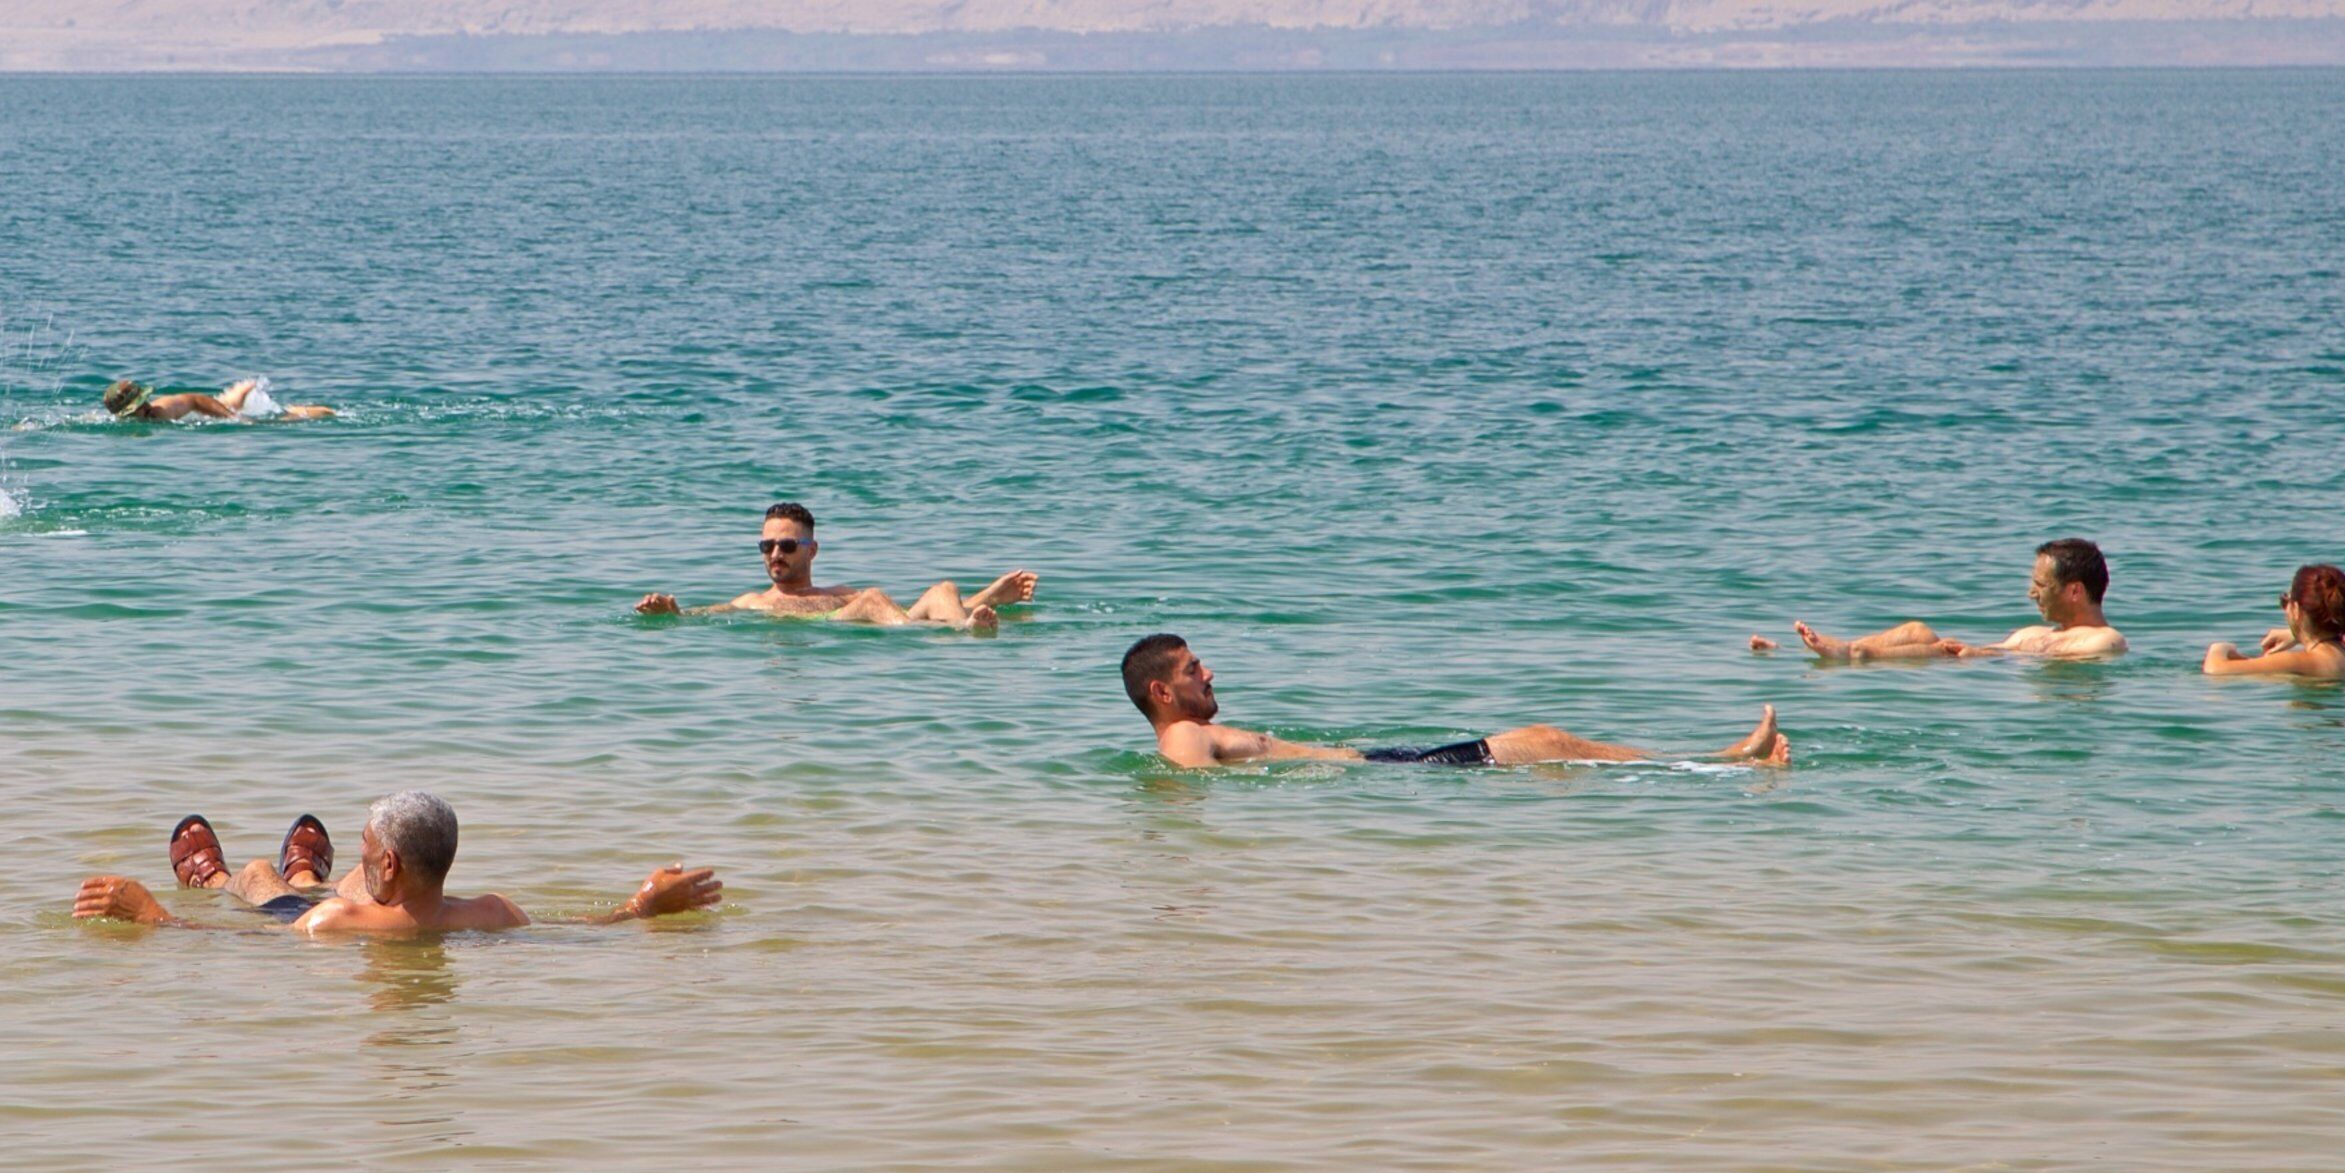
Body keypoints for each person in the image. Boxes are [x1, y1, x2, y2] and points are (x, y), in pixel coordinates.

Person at [72, 790, 721, 935]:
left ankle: (217, 876)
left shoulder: (332, 928)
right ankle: (310, 871)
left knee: (257, 878)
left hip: (306, 913)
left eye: (363, 844)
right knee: (343, 884)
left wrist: (152, 915)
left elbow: (233, 944)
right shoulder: (495, 914)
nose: (360, 848)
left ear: (392, 861)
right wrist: (641, 906)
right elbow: (580, 931)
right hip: (416, 900)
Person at [1122, 632, 1791, 769]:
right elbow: (1189, 796)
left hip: (1383, 763)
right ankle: (1723, 762)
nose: (1209, 672)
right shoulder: (1183, 739)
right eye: (1192, 668)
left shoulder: (1188, 734)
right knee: (1548, 741)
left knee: (1553, 754)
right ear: (1162, 691)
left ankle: (1715, 760)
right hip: (1387, 773)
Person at [633, 501, 1037, 634]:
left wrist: (985, 596)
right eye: (767, 545)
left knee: (943, 588)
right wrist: (673, 612)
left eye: (787, 545)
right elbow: (704, 616)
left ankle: (975, 616)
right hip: (886, 633)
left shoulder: (837, 592)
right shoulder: (755, 601)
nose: (775, 553)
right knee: (873, 597)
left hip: (893, 628)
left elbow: (906, 615)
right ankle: (965, 630)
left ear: (812, 551)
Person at [1751, 538, 2123, 661]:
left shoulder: (2105, 640)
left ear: (2074, 590)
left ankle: (1855, 655)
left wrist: (1979, 655)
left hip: (1983, 667)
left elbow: (2066, 662)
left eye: (2041, 585)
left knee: (1941, 653)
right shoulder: (2031, 631)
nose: (2032, 593)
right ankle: (1798, 652)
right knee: (1918, 629)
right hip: (1981, 662)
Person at [2204, 562, 2345, 681]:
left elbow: (2215, 670)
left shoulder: (2297, 661)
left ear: (2296, 610)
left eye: (2285, 601)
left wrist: (2222, 647)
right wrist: (2297, 635)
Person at [153, 813, 339, 918]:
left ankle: (218, 883)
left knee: (257, 872)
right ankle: (307, 885)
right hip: (345, 914)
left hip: (303, 918)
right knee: (362, 878)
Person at [98, 377, 337, 422]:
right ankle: (236, 397)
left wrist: (229, 417)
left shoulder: (161, 412)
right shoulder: (132, 419)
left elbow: (194, 399)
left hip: (199, 404)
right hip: (197, 410)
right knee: (231, 408)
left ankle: (317, 411)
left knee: (263, 423)